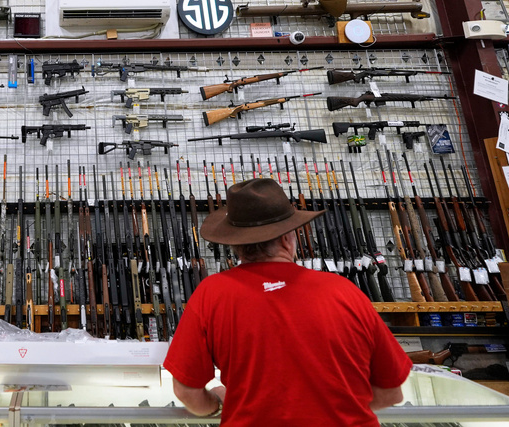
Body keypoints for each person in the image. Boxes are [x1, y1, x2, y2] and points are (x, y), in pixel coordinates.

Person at [163, 178, 411, 427]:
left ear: (236, 244)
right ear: (287, 238)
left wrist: (216, 403)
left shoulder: (212, 293)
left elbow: (187, 391)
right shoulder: (346, 291)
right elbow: (391, 393)